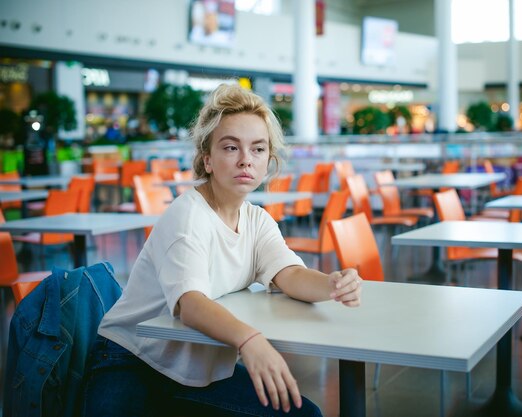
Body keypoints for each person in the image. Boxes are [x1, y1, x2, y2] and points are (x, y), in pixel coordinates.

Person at [81, 84, 363, 417]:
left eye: (258, 150)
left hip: (195, 368)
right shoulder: (188, 215)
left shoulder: (256, 220)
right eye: (231, 148)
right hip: (131, 361)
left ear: (268, 161)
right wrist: (250, 341)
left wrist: (331, 284)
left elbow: (289, 275)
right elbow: (191, 305)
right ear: (208, 160)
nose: (246, 160)